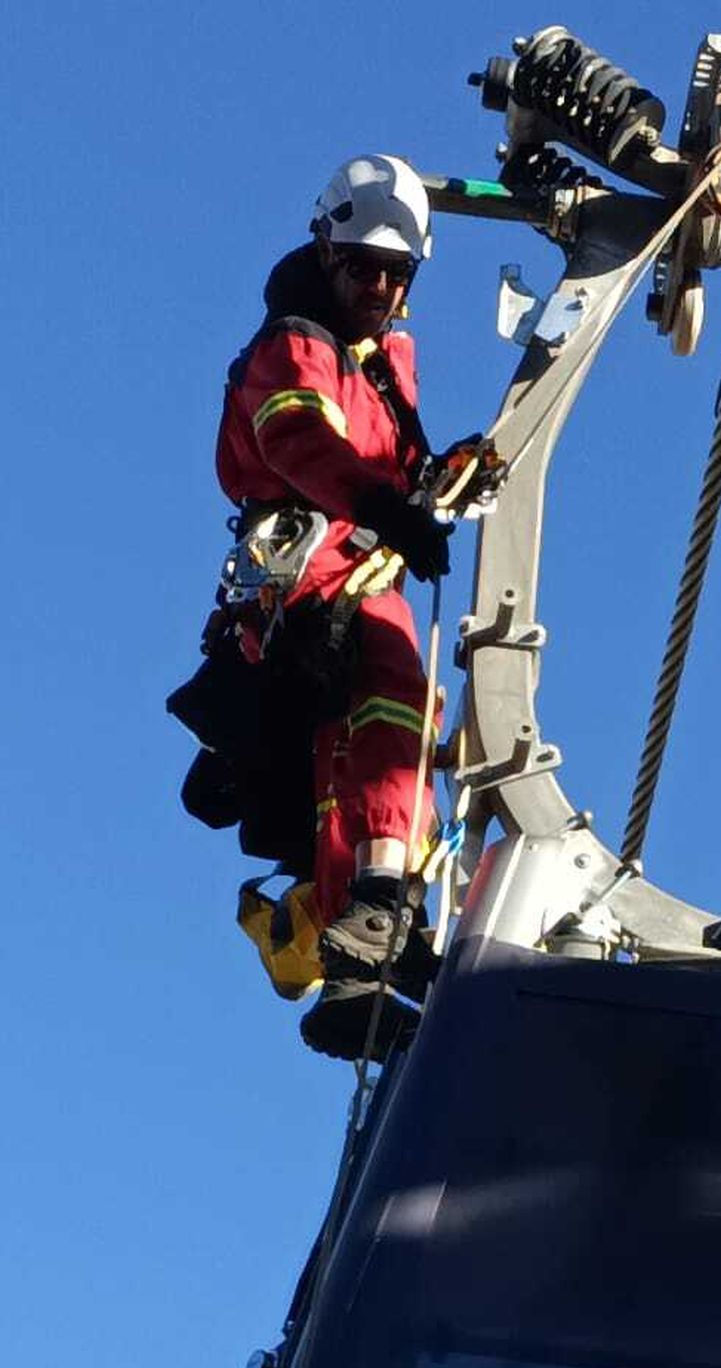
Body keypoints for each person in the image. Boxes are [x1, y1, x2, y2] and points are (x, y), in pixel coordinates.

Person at [215, 154, 451, 1056]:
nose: (380, 287)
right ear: (328, 250)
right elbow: (298, 439)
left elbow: (386, 463)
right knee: (391, 692)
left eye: (397, 275)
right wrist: (389, 508)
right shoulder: (295, 344)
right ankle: (377, 905)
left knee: (377, 741)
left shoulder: (385, 359)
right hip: (316, 569)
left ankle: (364, 950)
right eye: (364, 268)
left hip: (357, 560)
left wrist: (428, 484)